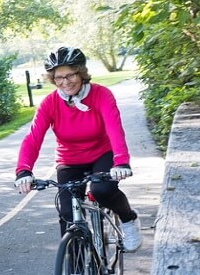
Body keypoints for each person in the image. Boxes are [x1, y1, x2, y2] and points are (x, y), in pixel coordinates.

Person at [14, 46, 143, 255]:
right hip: (69, 160)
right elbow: (33, 138)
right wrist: (23, 170)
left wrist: (121, 161)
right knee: (67, 214)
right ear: (53, 79)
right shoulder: (49, 103)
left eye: (70, 75)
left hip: (102, 154)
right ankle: (76, 271)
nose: (65, 82)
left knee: (102, 191)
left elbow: (114, 129)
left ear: (81, 73)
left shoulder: (101, 95)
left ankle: (129, 219)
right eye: (59, 77)